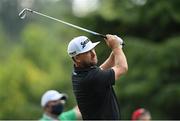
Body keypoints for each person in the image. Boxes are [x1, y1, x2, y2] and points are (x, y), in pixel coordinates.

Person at [67, 34, 128, 120]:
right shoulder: (92, 77)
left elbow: (102, 69)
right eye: (88, 52)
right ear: (77, 58)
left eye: (92, 49)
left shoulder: (79, 73)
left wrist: (117, 47)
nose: (93, 54)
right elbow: (122, 68)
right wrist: (116, 48)